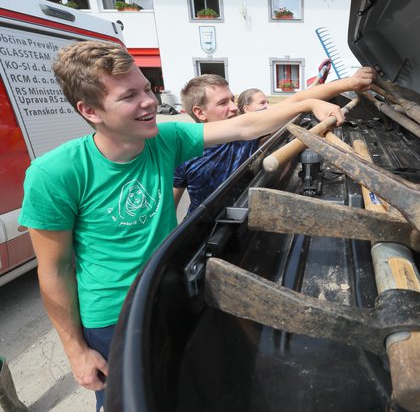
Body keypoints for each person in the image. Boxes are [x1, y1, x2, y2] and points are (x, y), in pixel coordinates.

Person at [17, 40, 344, 412]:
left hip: (168, 291)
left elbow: (247, 125)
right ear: (90, 110)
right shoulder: (55, 173)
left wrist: (314, 99)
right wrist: (76, 351)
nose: (149, 102)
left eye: (146, 88)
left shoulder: (166, 140)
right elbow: (54, 269)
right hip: (112, 319)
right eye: (130, 96)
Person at [174, 67, 376, 214]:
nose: (234, 107)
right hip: (199, 233)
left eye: (232, 99)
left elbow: (296, 100)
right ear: (200, 113)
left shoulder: (245, 132)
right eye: (222, 103)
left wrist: (350, 83)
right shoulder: (181, 152)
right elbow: (169, 205)